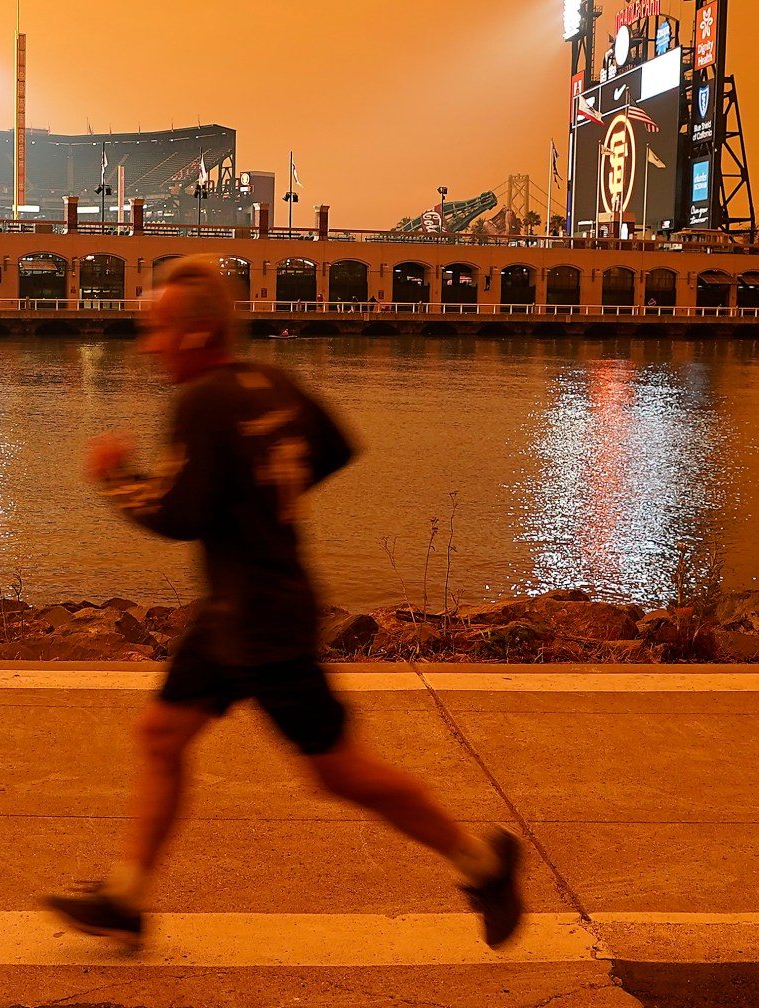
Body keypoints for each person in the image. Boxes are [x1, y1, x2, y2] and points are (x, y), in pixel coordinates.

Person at [44, 256, 526, 950]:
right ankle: (124, 895)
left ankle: (484, 864)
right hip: (234, 612)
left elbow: (180, 514)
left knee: (339, 772)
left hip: (262, 620)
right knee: (160, 735)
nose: (147, 346)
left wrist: (115, 477)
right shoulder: (270, 381)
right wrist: (274, 497)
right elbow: (331, 446)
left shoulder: (203, 399)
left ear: (191, 335)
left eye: (155, 332)